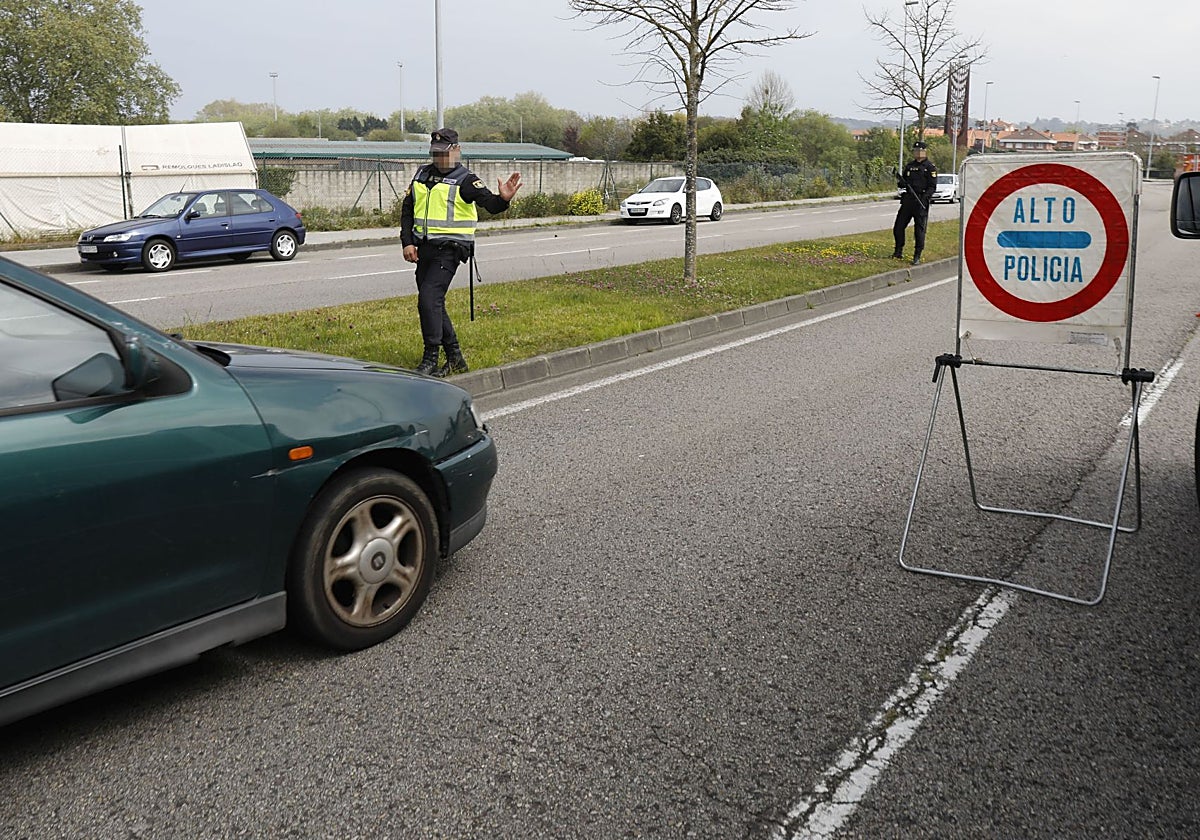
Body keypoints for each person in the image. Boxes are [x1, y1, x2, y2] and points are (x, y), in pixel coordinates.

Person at [401, 128, 523, 376]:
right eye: (435, 153)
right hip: (424, 249)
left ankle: (430, 359)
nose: (439, 159)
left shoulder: (466, 180)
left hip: (450, 250)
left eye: (444, 153)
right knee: (432, 303)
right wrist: (407, 242)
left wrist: (504, 199)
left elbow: (490, 204)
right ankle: (455, 357)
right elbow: (407, 209)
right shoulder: (422, 174)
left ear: (456, 150)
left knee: (428, 299)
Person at [892, 140, 938, 265]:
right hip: (908, 201)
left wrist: (924, 198)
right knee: (898, 227)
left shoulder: (930, 167)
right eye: (915, 151)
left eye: (920, 150)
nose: (917, 153)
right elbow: (904, 182)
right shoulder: (909, 166)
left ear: (925, 151)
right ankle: (898, 250)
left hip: (921, 201)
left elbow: (932, 186)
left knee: (919, 230)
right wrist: (901, 182)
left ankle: (917, 255)